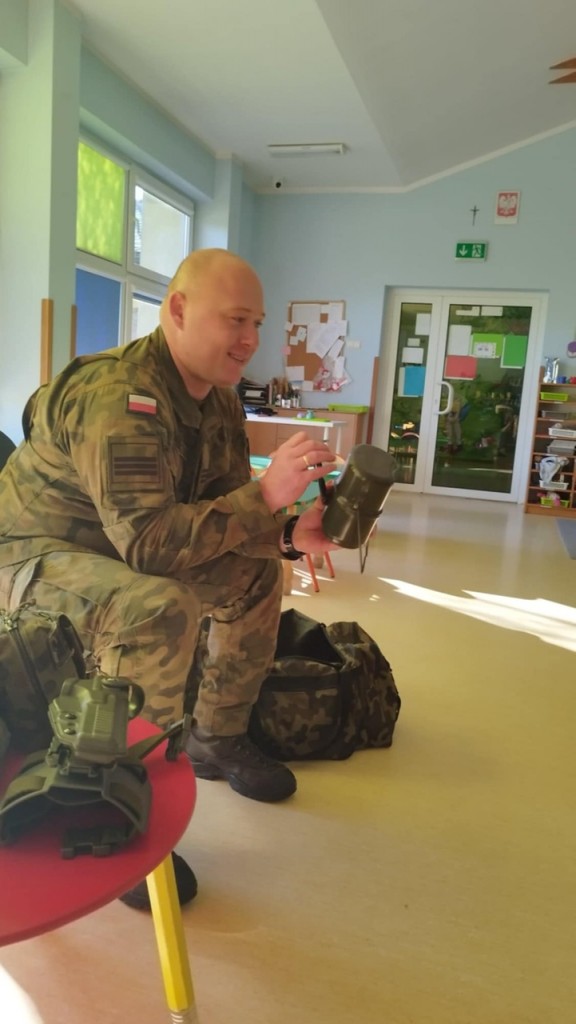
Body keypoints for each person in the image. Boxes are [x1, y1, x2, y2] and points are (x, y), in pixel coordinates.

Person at [0, 248, 339, 906]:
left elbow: (216, 517)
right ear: (178, 310)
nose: (250, 339)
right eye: (235, 320)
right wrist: (264, 495)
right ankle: (112, 807)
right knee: (156, 606)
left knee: (255, 576)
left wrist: (287, 535)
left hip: (114, 547)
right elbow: (153, 547)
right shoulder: (119, 396)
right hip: (30, 555)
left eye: (257, 323)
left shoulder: (218, 403)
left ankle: (217, 739)